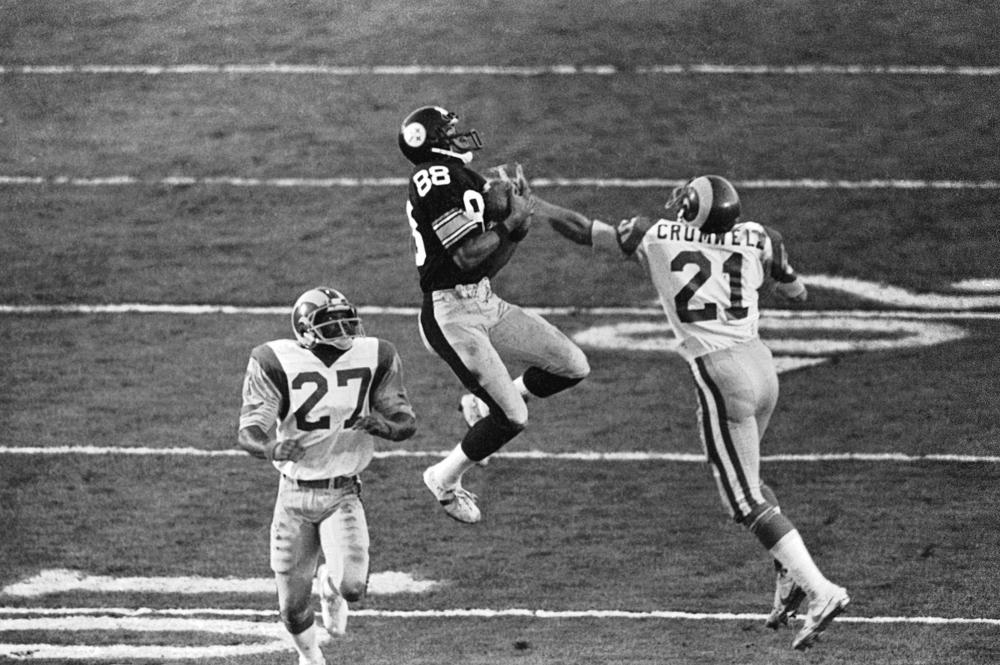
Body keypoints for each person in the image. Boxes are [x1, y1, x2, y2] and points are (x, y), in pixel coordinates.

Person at [538, 175, 849, 651]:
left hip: (722, 374)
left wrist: (536, 205)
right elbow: (797, 292)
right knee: (751, 479)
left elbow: (586, 230)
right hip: (763, 367)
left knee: (742, 500)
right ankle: (789, 576)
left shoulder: (656, 235)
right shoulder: (761, 237)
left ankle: (821, 590)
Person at [397, 105, 590, 524]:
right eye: (449, 130)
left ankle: (479, 405)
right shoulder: (432, 177)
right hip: (449, 314)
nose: (458, 135)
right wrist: (508, 223)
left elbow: (486, 264)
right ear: (431, 140)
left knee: (572, 365)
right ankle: (443, 478)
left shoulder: (462, 177)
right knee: (514, 418)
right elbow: (465, 256)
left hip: (484, 300)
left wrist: (518, 227)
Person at [237, 287, 417, 665]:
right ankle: (311, 658)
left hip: (342, 491)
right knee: (291, 607)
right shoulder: (274, 360)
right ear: (305, 330)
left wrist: (385, 426)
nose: (343, 329)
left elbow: (405, 421)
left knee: (352, 587)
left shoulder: (376, 354)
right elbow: (249, 430)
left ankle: (330, 586)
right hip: (293, 495)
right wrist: (270, 448)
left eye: (345, 319)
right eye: (331, 323)